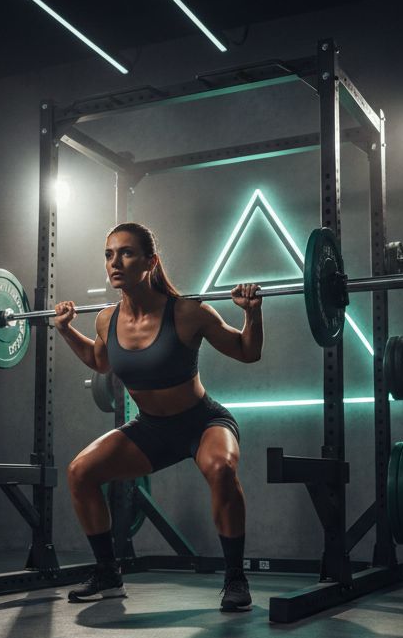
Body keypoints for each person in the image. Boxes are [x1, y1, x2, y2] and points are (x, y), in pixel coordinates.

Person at [55, 222, 263, 611]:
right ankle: (107, 573)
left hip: (202, 422)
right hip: (151, 430)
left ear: (150, 262)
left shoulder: (188, 312)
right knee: (80, 472)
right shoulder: (106, 319)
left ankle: (235, 578)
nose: (115, 262)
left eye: (126, 253)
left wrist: (253, 314)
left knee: (221, 470)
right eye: (108, 254)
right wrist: (66, 331)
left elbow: (248, 352)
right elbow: (100, 362)